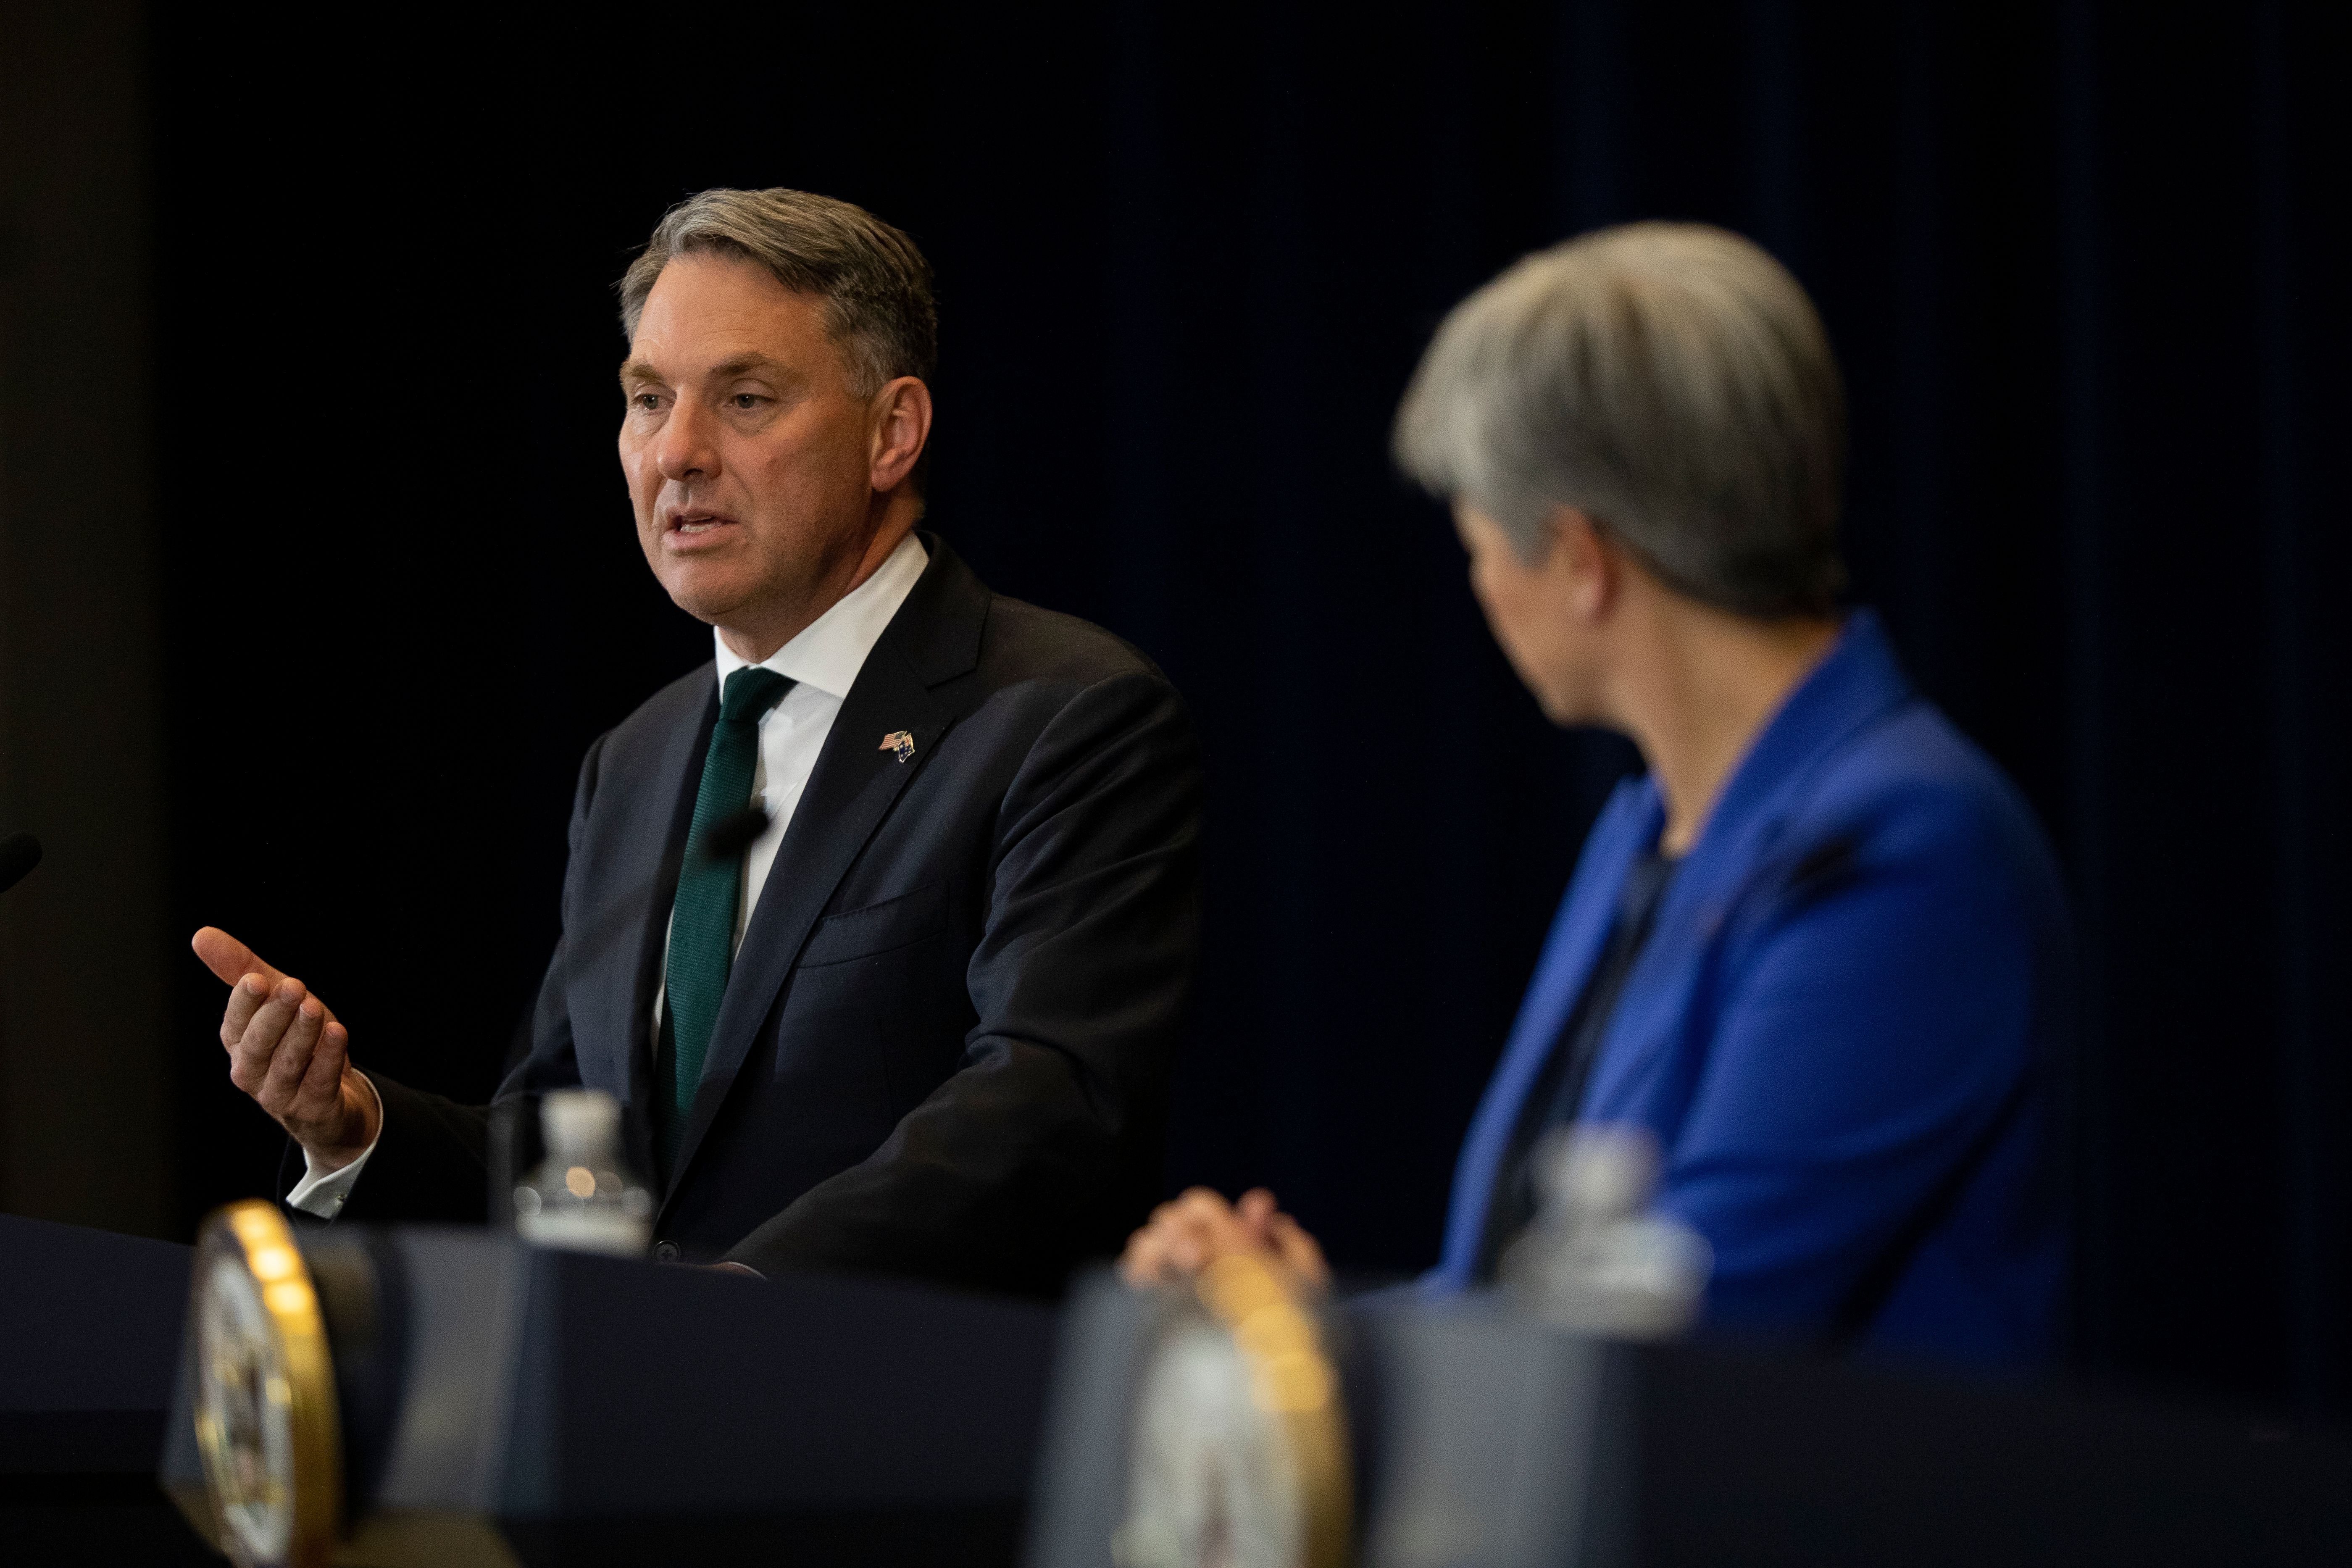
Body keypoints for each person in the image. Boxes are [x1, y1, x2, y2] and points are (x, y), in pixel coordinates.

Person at [197, 188, 1202, 1297]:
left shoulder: (1063, 714)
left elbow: (1046, 1100)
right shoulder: (631, 763)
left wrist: (727, 1310)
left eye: (747, 399)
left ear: (892, 432)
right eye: (646, 399)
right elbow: (580, 1156)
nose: (677, 452)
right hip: (647, 1440)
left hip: (923, 1435)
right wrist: (355, 1125)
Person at [1123, 224, 2072, 1367]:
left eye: (1479, 544)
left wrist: (1320, 1361)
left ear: (1581, 561)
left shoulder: (1910, 850)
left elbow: (1665, 1332)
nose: (1478, 587)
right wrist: (1284, 1330)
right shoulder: (1645, 826)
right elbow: (1523, 1288)